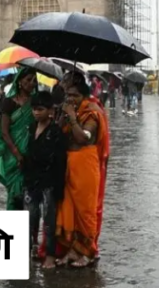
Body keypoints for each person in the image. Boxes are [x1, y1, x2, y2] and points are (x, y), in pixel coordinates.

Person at [55, 75, 104, 268]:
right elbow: (59, 135)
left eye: (74, 95)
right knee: (70, 211)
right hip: (69, 165)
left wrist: (73, 119)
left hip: (85, 165)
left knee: (85, 211)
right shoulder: (69, 111)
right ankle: (74, 250)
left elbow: (84, 137)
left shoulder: (92, 113)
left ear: (84, 96)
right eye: (68, 95)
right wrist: (62, 117)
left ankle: (89, 252)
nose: (70, 99)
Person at [23, 90, 67, 270]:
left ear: (50, 111)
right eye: (34, 109)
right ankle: (28, 250)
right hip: (31, 180)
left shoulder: (56, 132)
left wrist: (59, 186)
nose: (36, 113)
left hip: (48, 181)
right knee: (29, 217)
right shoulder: (31, 127)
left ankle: (49, 255)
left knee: (49, 220)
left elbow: (60, 161)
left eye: (40, 109)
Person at [0, 68, 37, 210]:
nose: (32, 83)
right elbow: (4, 132)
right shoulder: (8, 103)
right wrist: (17, 155)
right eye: (28, 80)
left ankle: (29, 228)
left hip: (31, 151)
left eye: (34, 80)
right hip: (13, 154)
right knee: (15, 193)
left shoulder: (36, 103)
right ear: (19, 82)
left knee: (30, 195)